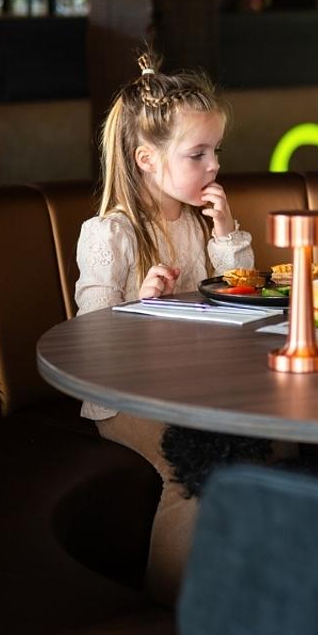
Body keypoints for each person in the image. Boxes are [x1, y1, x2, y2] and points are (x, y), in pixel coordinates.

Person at [74, 50, 259, 602]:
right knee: (193, 471)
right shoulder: (110, 234)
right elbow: (90, 340)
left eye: (216, 151)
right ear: (147, 159)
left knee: (270, 448)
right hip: (125, 398)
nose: (213, 166)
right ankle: (167, 610)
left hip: (192, 386)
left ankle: (249, 589)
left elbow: (243, 294)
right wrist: (140, 307)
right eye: (197, 154)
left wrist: (225, 233)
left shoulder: (200, 225)